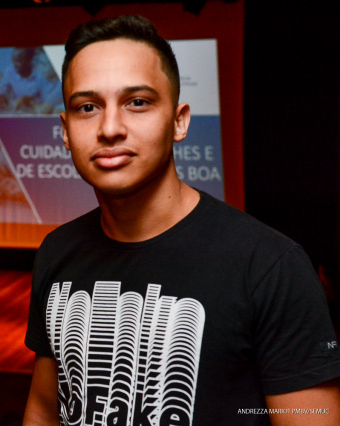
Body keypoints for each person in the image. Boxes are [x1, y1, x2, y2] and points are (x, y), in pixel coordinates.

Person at [23, 15, 340, 425]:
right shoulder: (56, 253)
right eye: (88, 107)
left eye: (137, 102)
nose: (110, 128)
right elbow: (45, 409)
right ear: (66, 132)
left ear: (179, 121)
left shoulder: (270, 266)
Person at [0, 47, 60, 114]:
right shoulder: (10, 71)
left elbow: (43, 109)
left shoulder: (43, 73)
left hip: (39, 112)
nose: (14, 65)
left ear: (29, 60)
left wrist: (26, 100)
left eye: (18, 61)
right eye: (13, 60)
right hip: (21, 112)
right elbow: (1, 89)